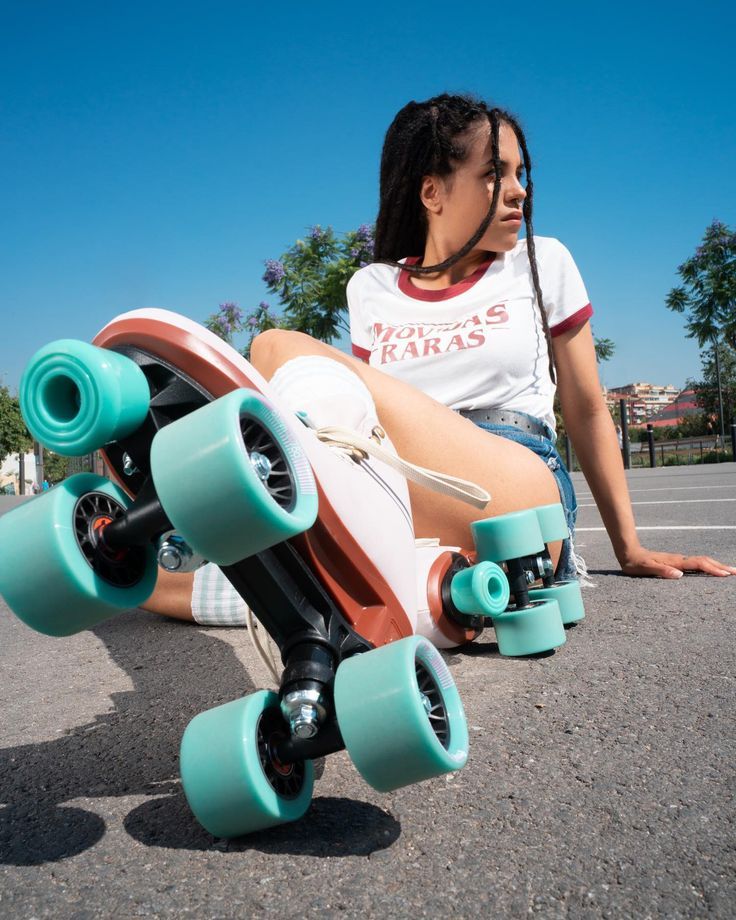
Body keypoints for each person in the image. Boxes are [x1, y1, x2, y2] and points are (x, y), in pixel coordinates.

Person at [144, 93, 735, 622]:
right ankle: (400, 592)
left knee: (276, 347)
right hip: (398, 489)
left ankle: (258, 494)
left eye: (519, 174)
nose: (518, 191)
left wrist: (628, 548)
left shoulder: (542, 260)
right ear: (433, 192)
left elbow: (585, 408)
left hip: (514, 487)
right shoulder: (371, 287)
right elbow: (360, 413)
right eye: (493, 174)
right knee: (152, 586)